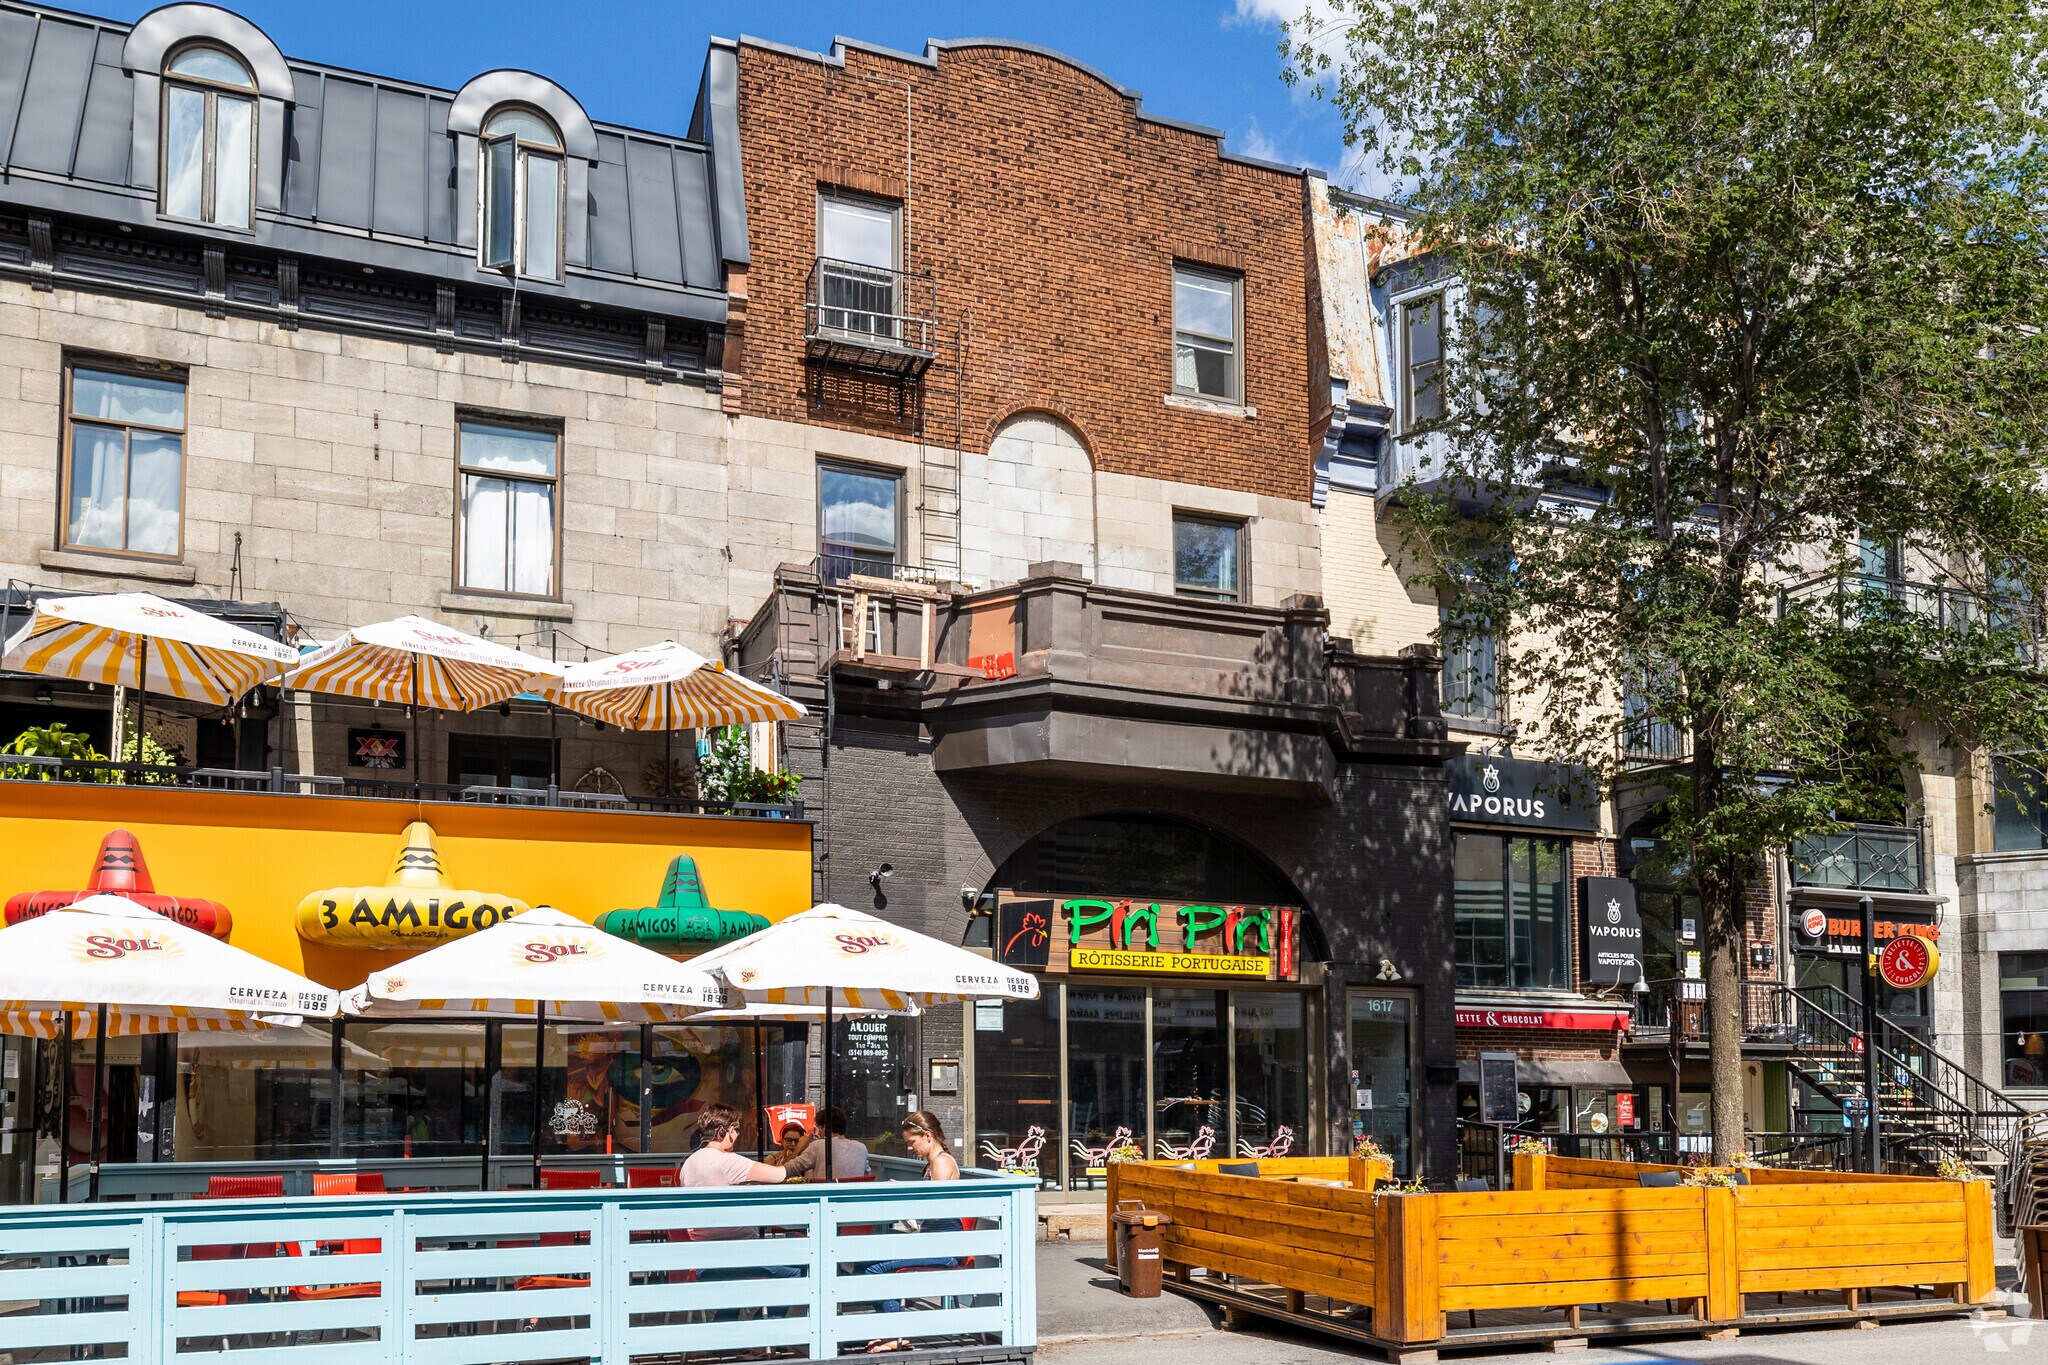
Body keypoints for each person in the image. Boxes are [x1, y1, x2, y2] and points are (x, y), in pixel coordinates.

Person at [681, 1103, 797, 1319]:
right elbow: (779, 1174)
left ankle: (727, 1330)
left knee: (740, 1277)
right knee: (799, 1272)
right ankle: (765, 1329)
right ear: (721, 1131)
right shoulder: (727, 1162)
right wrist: (803, 1154)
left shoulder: (689, 1163)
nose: (737, 1134)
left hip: (703, 1257)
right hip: (737, 1255)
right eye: (735, 1128)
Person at [863, 1110, 962, 1352]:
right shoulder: (934, 1163)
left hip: (945, 1247)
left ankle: (897, 1333)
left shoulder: (940, 1162)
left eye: (911, 1142)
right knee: (869, 1263)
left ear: (927, 1135)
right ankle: (893, 1331)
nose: (910, 1148)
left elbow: (933, 1208)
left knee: (874, 1267)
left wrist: (903, 1194)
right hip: (936, 1243)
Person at [783, 1106, 871, 1181]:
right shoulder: (861, 1148)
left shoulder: (819, 1145)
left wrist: (800, 1146)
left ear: (825, 1127)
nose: (817, 1133)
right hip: (854, 1198)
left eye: (818, 1128)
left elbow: (792, 1168)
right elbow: (867, 1176)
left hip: (825, 1198)